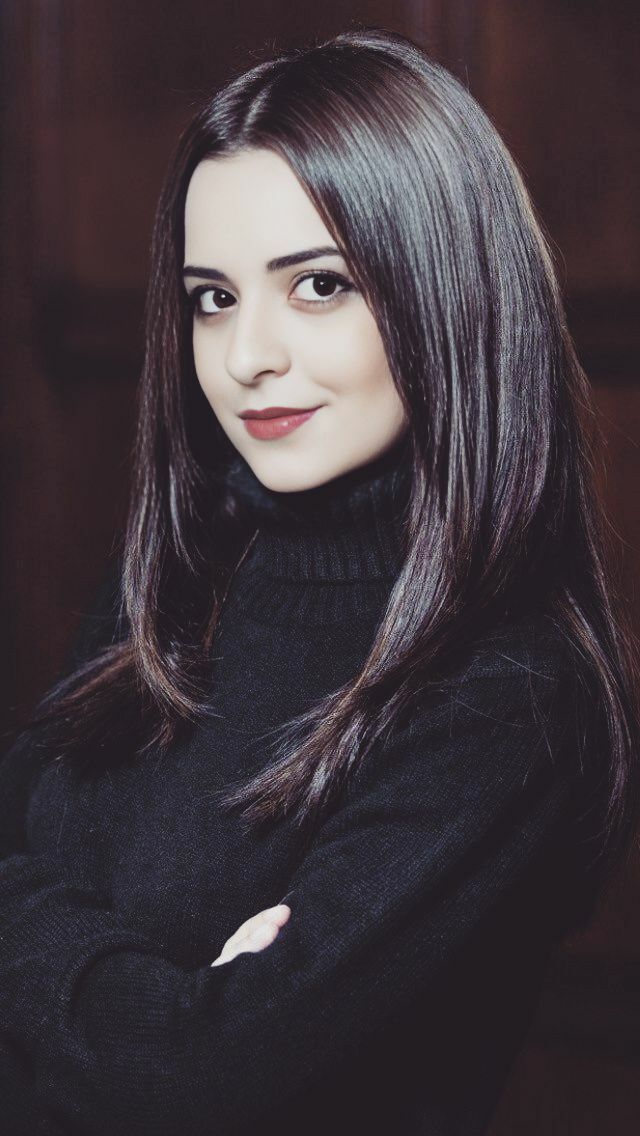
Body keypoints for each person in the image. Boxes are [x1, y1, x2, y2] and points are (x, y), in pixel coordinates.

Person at [1, 24, 638, 1136]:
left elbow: (189, 1079)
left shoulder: (513, 694)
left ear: (447, 292)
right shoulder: (190, 565)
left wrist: (85, 980)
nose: (247, 354)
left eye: (318, 284)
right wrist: (143, 993)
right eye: (212, 297)